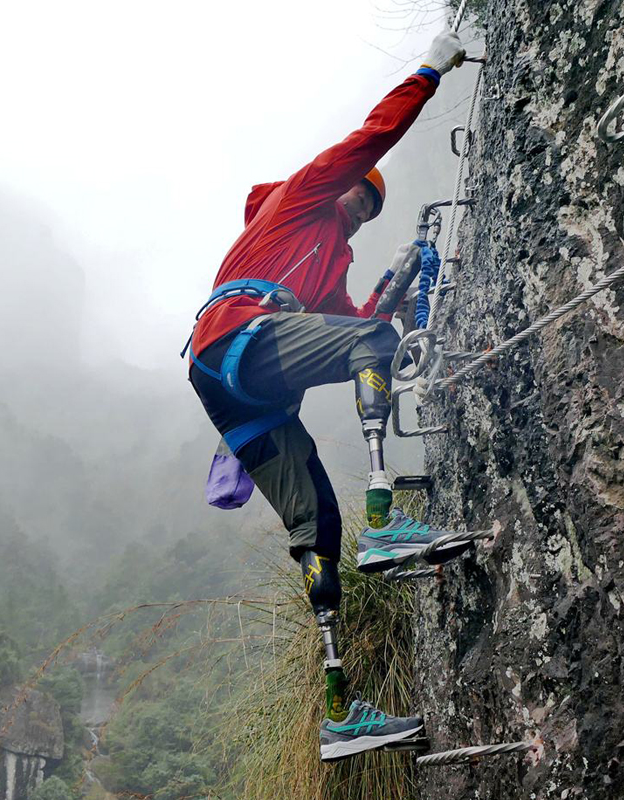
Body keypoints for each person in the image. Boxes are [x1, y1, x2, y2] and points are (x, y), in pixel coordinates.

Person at [187, 31, 469, 761]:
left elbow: (357, 326)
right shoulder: (296, 200)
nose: (361, 208)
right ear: (340, 184)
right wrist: (429, 72)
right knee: (370, 344)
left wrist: (397, 286)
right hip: (238, 335)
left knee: (317, 524)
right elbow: (371, 137)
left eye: (370, 209)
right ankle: (385, 520)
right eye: (360, 193)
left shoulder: (329, 263)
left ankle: (340, 712)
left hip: (237, 391)